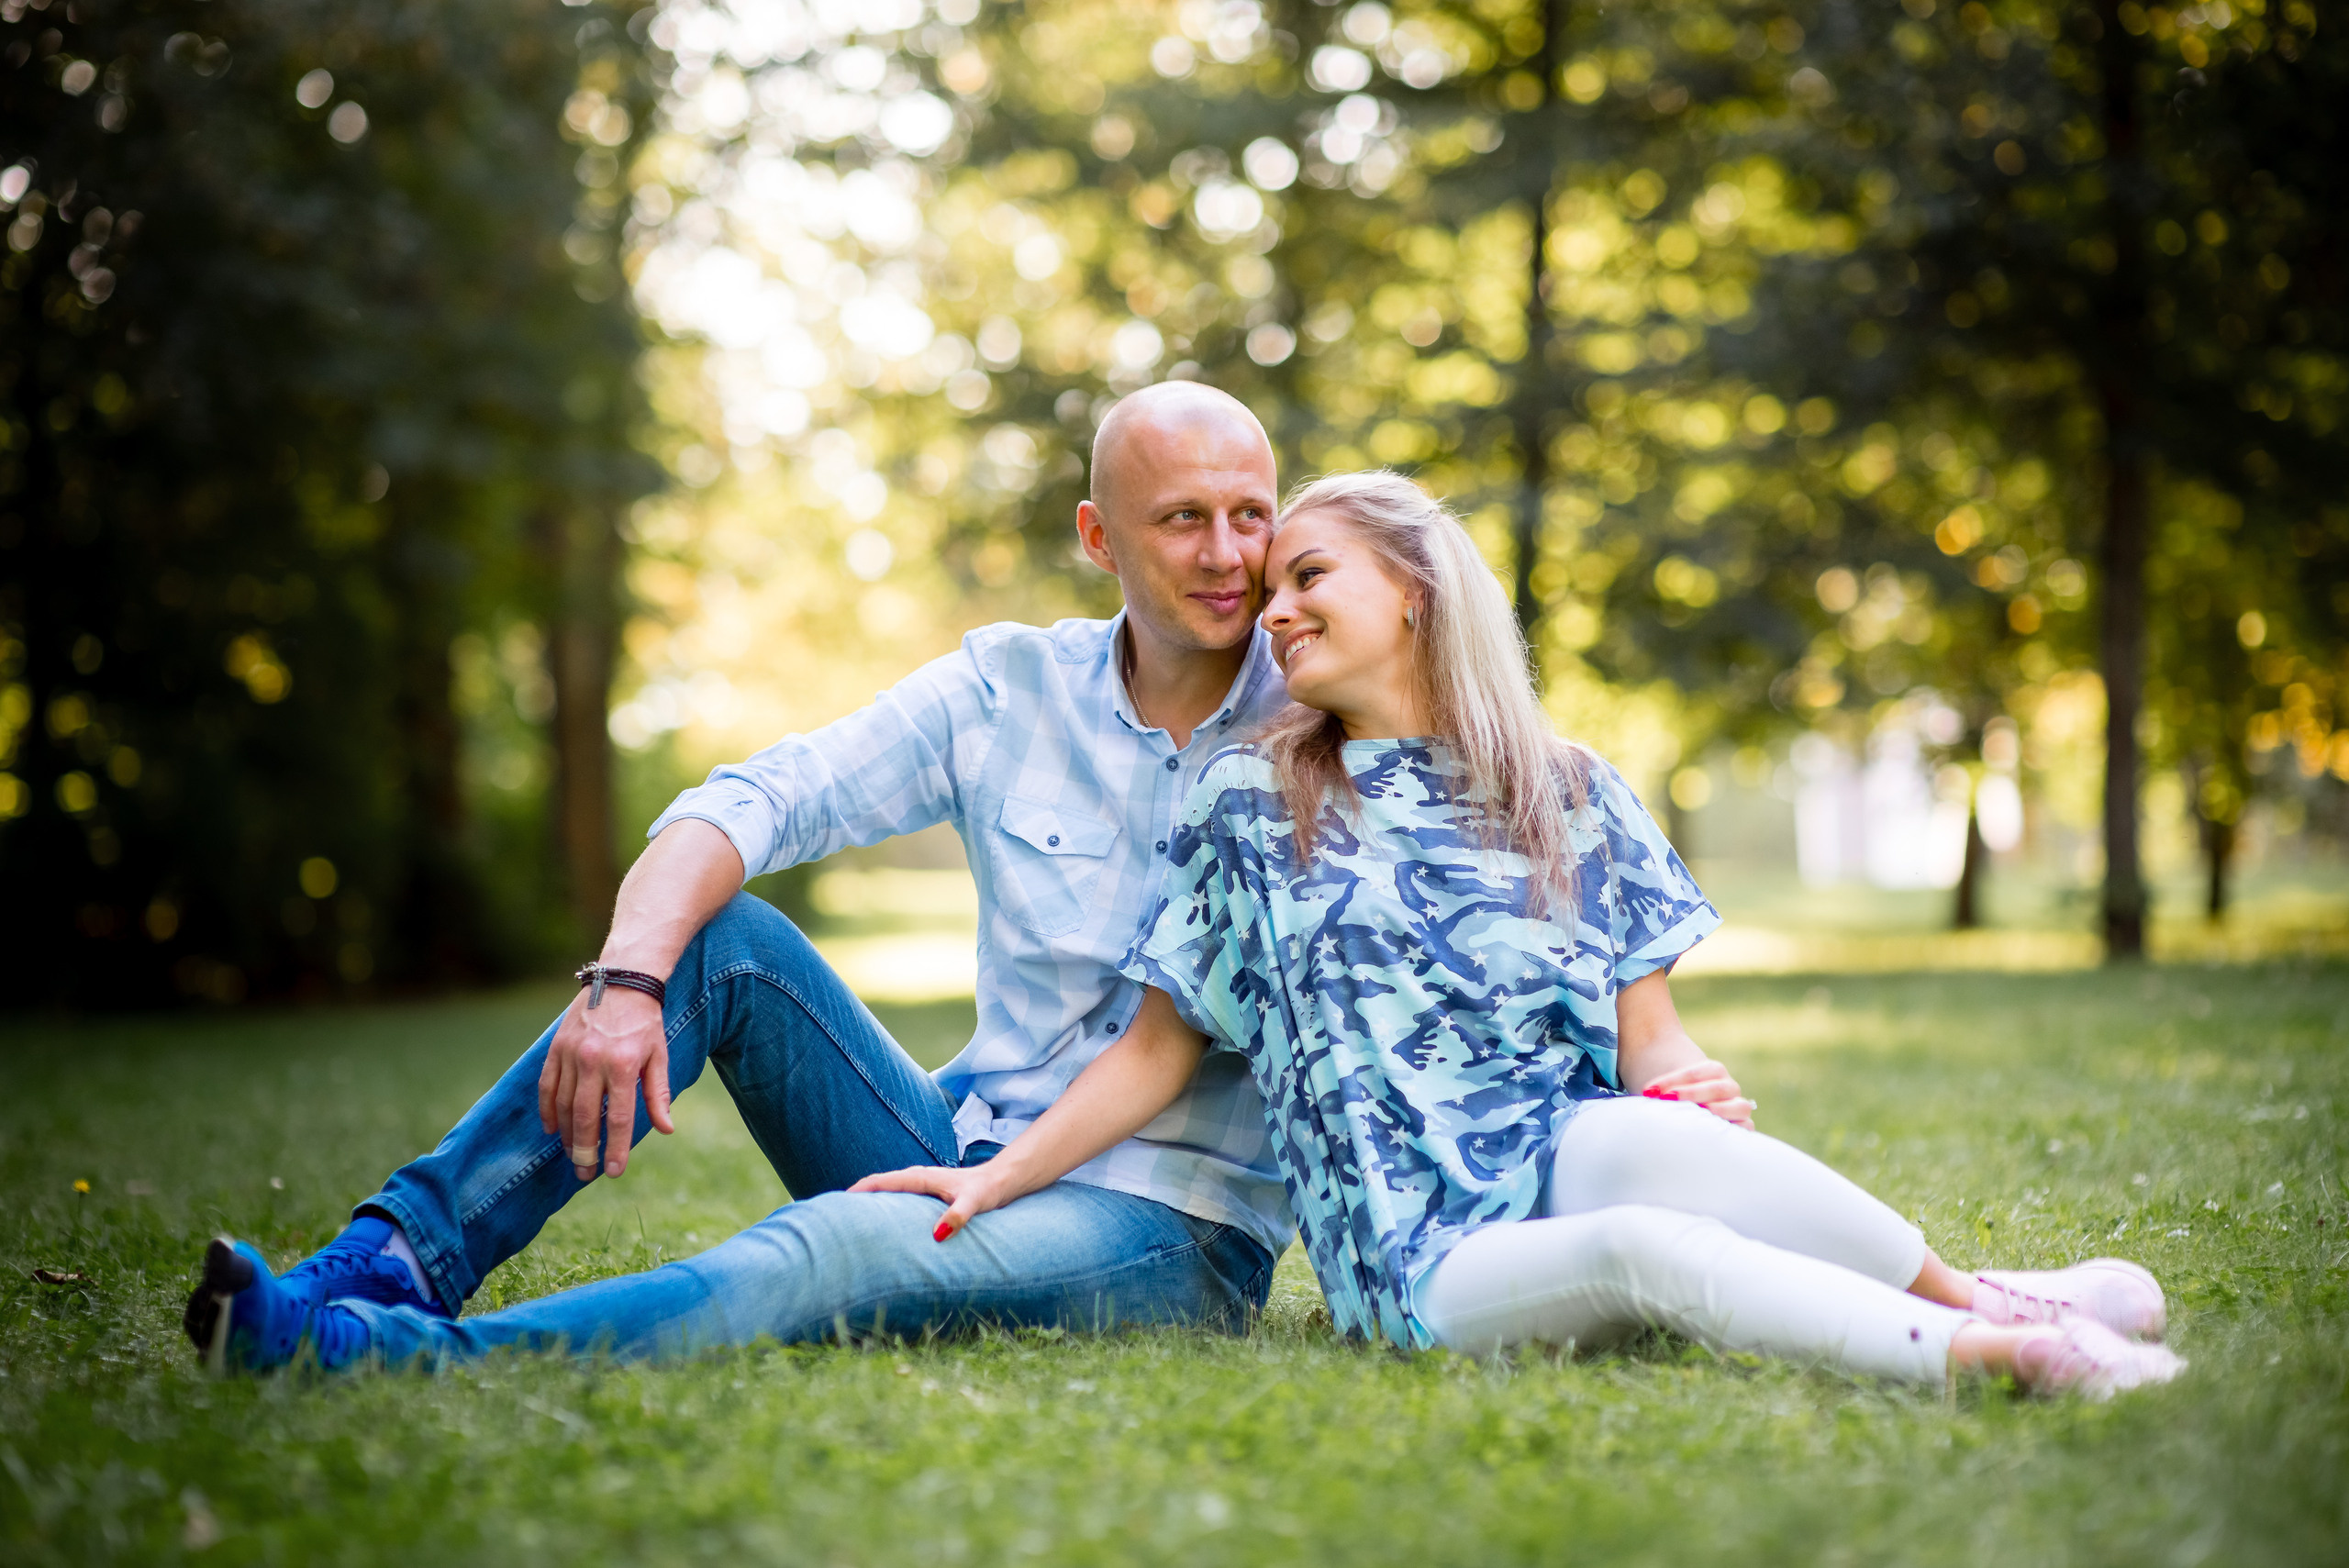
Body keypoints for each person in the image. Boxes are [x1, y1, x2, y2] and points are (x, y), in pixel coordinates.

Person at [853, 470, 2187, 1399]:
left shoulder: (1572, 789)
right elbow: (1154, 1051)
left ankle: (1971, 1291)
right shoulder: (1252, 797)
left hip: (1566, 1152)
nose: (1274, 610)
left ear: (1418, 589)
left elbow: (1646, 1038)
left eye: (1308, 574)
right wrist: (989, 1180)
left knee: (1651, 1142)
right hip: (1420, 1256)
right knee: (1640, 1253)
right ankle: (1999, 1351)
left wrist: (1689, 1090)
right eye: (1272, 591)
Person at [184, 382, 1306, 1372]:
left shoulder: (1318, 720)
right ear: (1099, 537)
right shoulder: (1013, 685)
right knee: (722, 939)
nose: (1225, 554)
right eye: (1181, 519)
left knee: (834, 1250)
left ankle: (383, 1356)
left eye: (1249, 514)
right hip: (953, 1146)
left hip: (1167, 1217)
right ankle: (390, 1263)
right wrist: (625, 980)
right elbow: (761, 794)